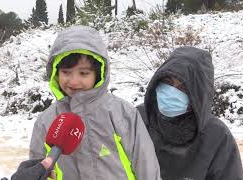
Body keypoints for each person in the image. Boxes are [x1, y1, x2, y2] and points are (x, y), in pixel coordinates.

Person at [27, 25, 161, 180]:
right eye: (66, 72)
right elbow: (37, 169)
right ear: (56, 73)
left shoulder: (122, 113)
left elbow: (146, 164)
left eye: (83, 73)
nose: (74, 81)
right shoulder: (46, 121)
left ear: (98, 74)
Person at [137, 46, 243, 180]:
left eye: (182, 86)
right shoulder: (138, 119)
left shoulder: (217, 136)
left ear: (198, 94)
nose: (172, 91)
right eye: (167, 82)